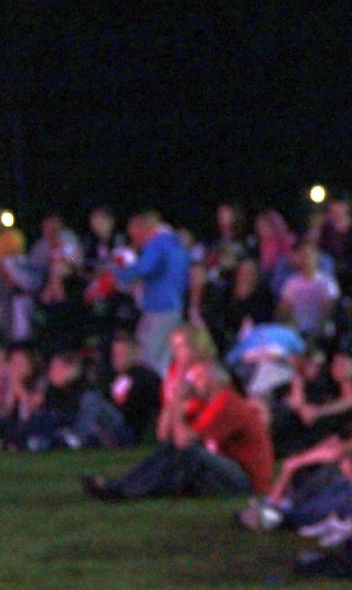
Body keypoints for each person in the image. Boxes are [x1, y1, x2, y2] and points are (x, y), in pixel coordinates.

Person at [81, 358, 273, 501]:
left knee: (188, 451)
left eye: (199, 377)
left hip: (247, 480)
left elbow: (184, 442)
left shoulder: (228, 404)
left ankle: (125, 491)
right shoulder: (210, 403)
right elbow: (165, 435)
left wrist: (178, 401)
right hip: (229, 470)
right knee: (175, 451)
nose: (193, 383)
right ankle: (122, 486)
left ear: (216, 381)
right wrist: (175, 405)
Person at [112, 211, 190, 377]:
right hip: (173, 308)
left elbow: (145, 268)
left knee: (147, 359)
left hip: (159, 310)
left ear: (143, 228)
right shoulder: (175, 241)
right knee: (163, 361)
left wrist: (119, 273)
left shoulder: (158, 242)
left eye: (134, 234)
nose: (134, 240)